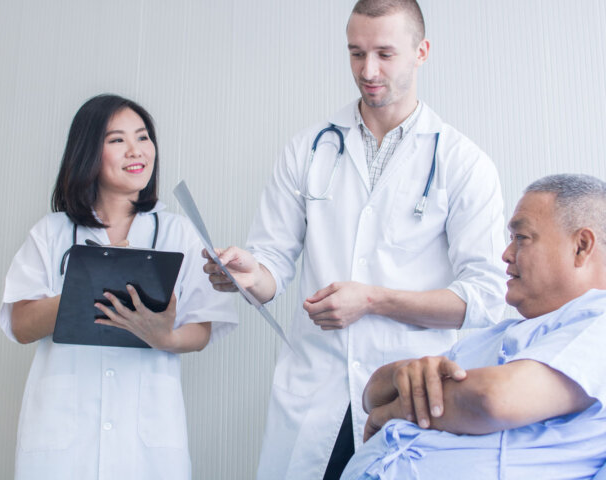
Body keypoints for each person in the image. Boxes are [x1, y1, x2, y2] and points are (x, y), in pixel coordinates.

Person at [203, 1, 506, 478]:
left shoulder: (463, 163)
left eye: (385, 54)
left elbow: (487, 299)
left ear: (421, 51)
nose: (368, 70)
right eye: (356, 53)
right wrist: (245, 273)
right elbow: (271, 267)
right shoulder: (307, 149)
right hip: (315, 392)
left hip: (409, 400)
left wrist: (373, 300)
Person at [0, 94, 237, 479]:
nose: (135, 150)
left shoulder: (177, 233)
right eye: (116, 140)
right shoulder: (51, 233)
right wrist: (88, 282)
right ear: (88, 152)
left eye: (143, 137)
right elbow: (22, 325)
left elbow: (203, 326)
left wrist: (166, 338)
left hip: (146, 447)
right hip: (63, 446)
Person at [341, 173, 606, 480]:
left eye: (521, 238)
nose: (506, 255)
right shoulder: (497, 336)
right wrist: (402, 379)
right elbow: (373, 393)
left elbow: (494, 399)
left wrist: (392, 412)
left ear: (581, 246)